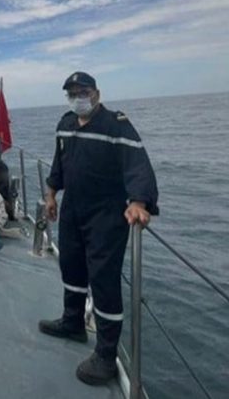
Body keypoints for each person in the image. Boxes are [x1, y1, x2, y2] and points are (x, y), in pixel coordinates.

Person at [39, 71, 159, 385]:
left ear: (96, 94)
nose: (78, 98)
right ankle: (73, 322)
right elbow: (59, 164)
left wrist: (139, 201)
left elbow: (137, 163)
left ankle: (106, 355)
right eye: (72, 93)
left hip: (106, 215)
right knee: (71, 267)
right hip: (72, 210)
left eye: (83, 92)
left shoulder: (116, 125)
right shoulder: (65, 124)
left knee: (104, 280)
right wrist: (51, 195)